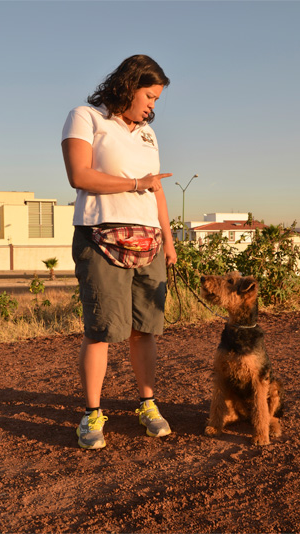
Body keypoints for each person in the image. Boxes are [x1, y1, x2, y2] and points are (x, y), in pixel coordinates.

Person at [61, 54, 177, 449]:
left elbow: (156, 186)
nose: (152, 105)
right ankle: (92, 415)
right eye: (149, 95)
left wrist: (169, 238)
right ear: (128, 86)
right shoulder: (85, 117)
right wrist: (134, 184)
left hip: (150, 243)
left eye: (157, 99)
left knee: (145, 330)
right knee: (101, 331)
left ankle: (148, 404)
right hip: (101, 238)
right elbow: (80, 175)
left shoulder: (147, 134)